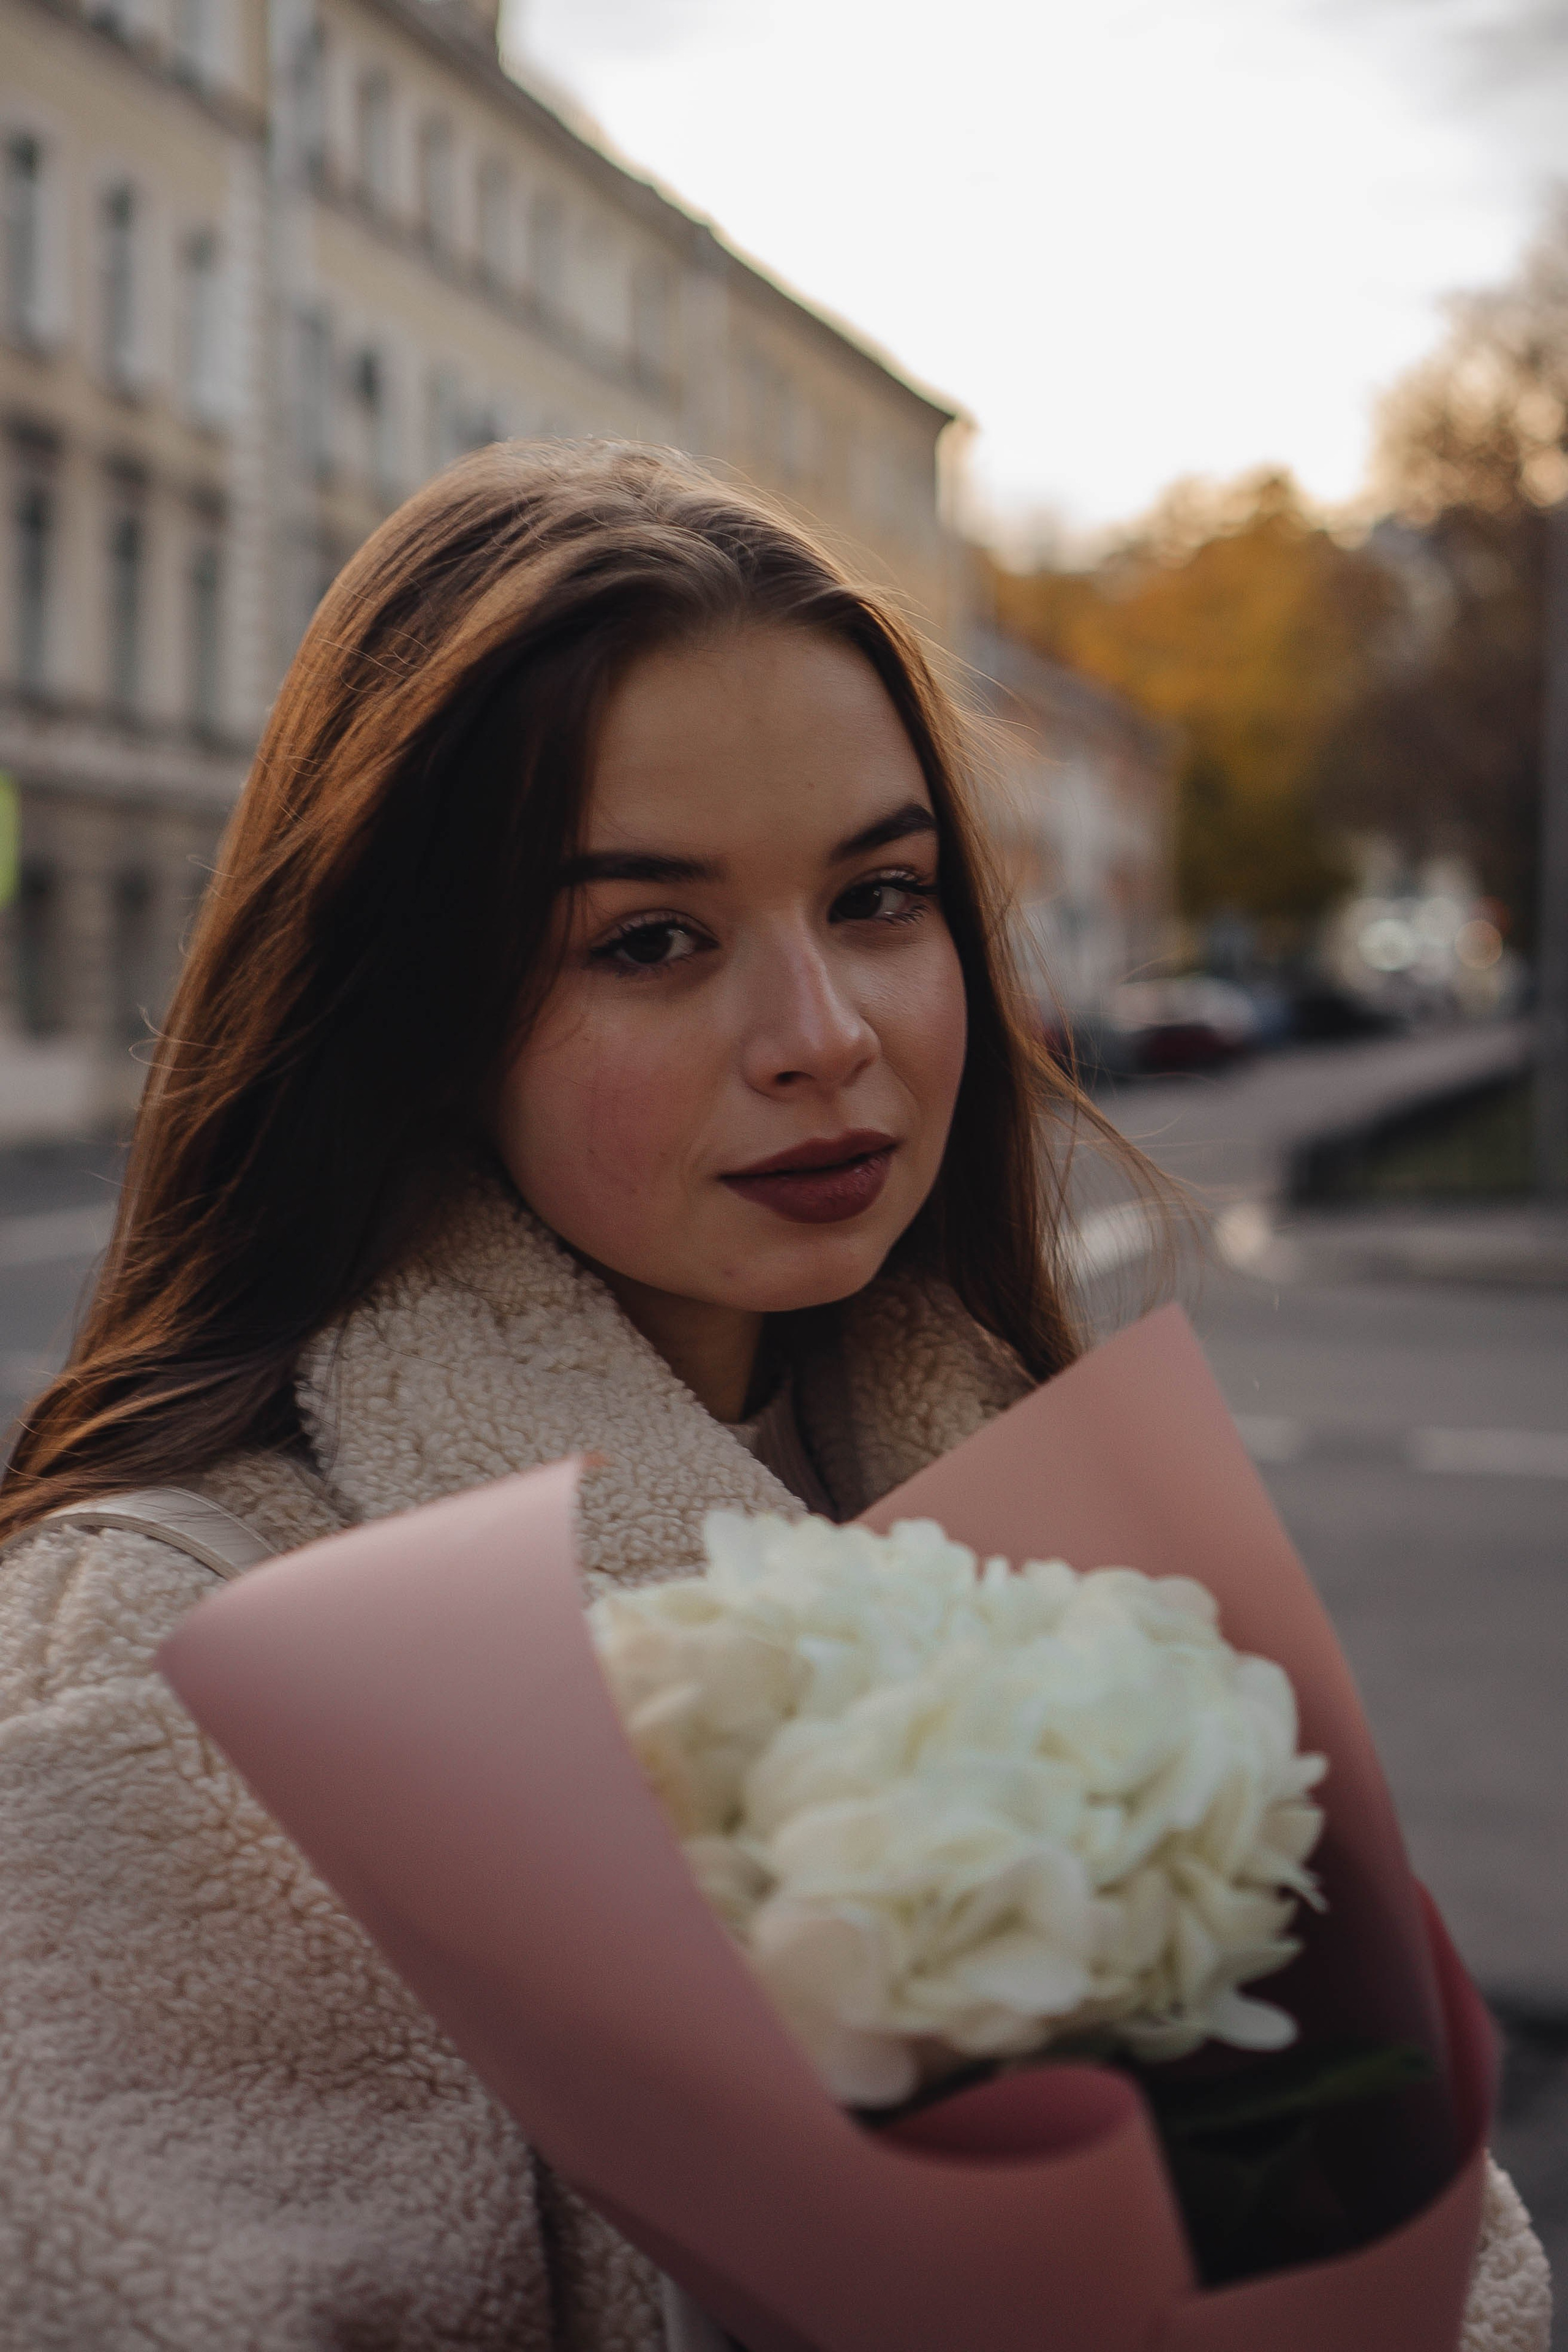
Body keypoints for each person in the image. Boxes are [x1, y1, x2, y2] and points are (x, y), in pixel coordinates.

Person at [0, 443, 1548, 2350]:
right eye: (651, 940)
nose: (826, 1035)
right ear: (413, 1010)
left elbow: (1414, 2239)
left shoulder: (1048, 1523)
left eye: (882, 897)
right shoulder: (168, 1649)